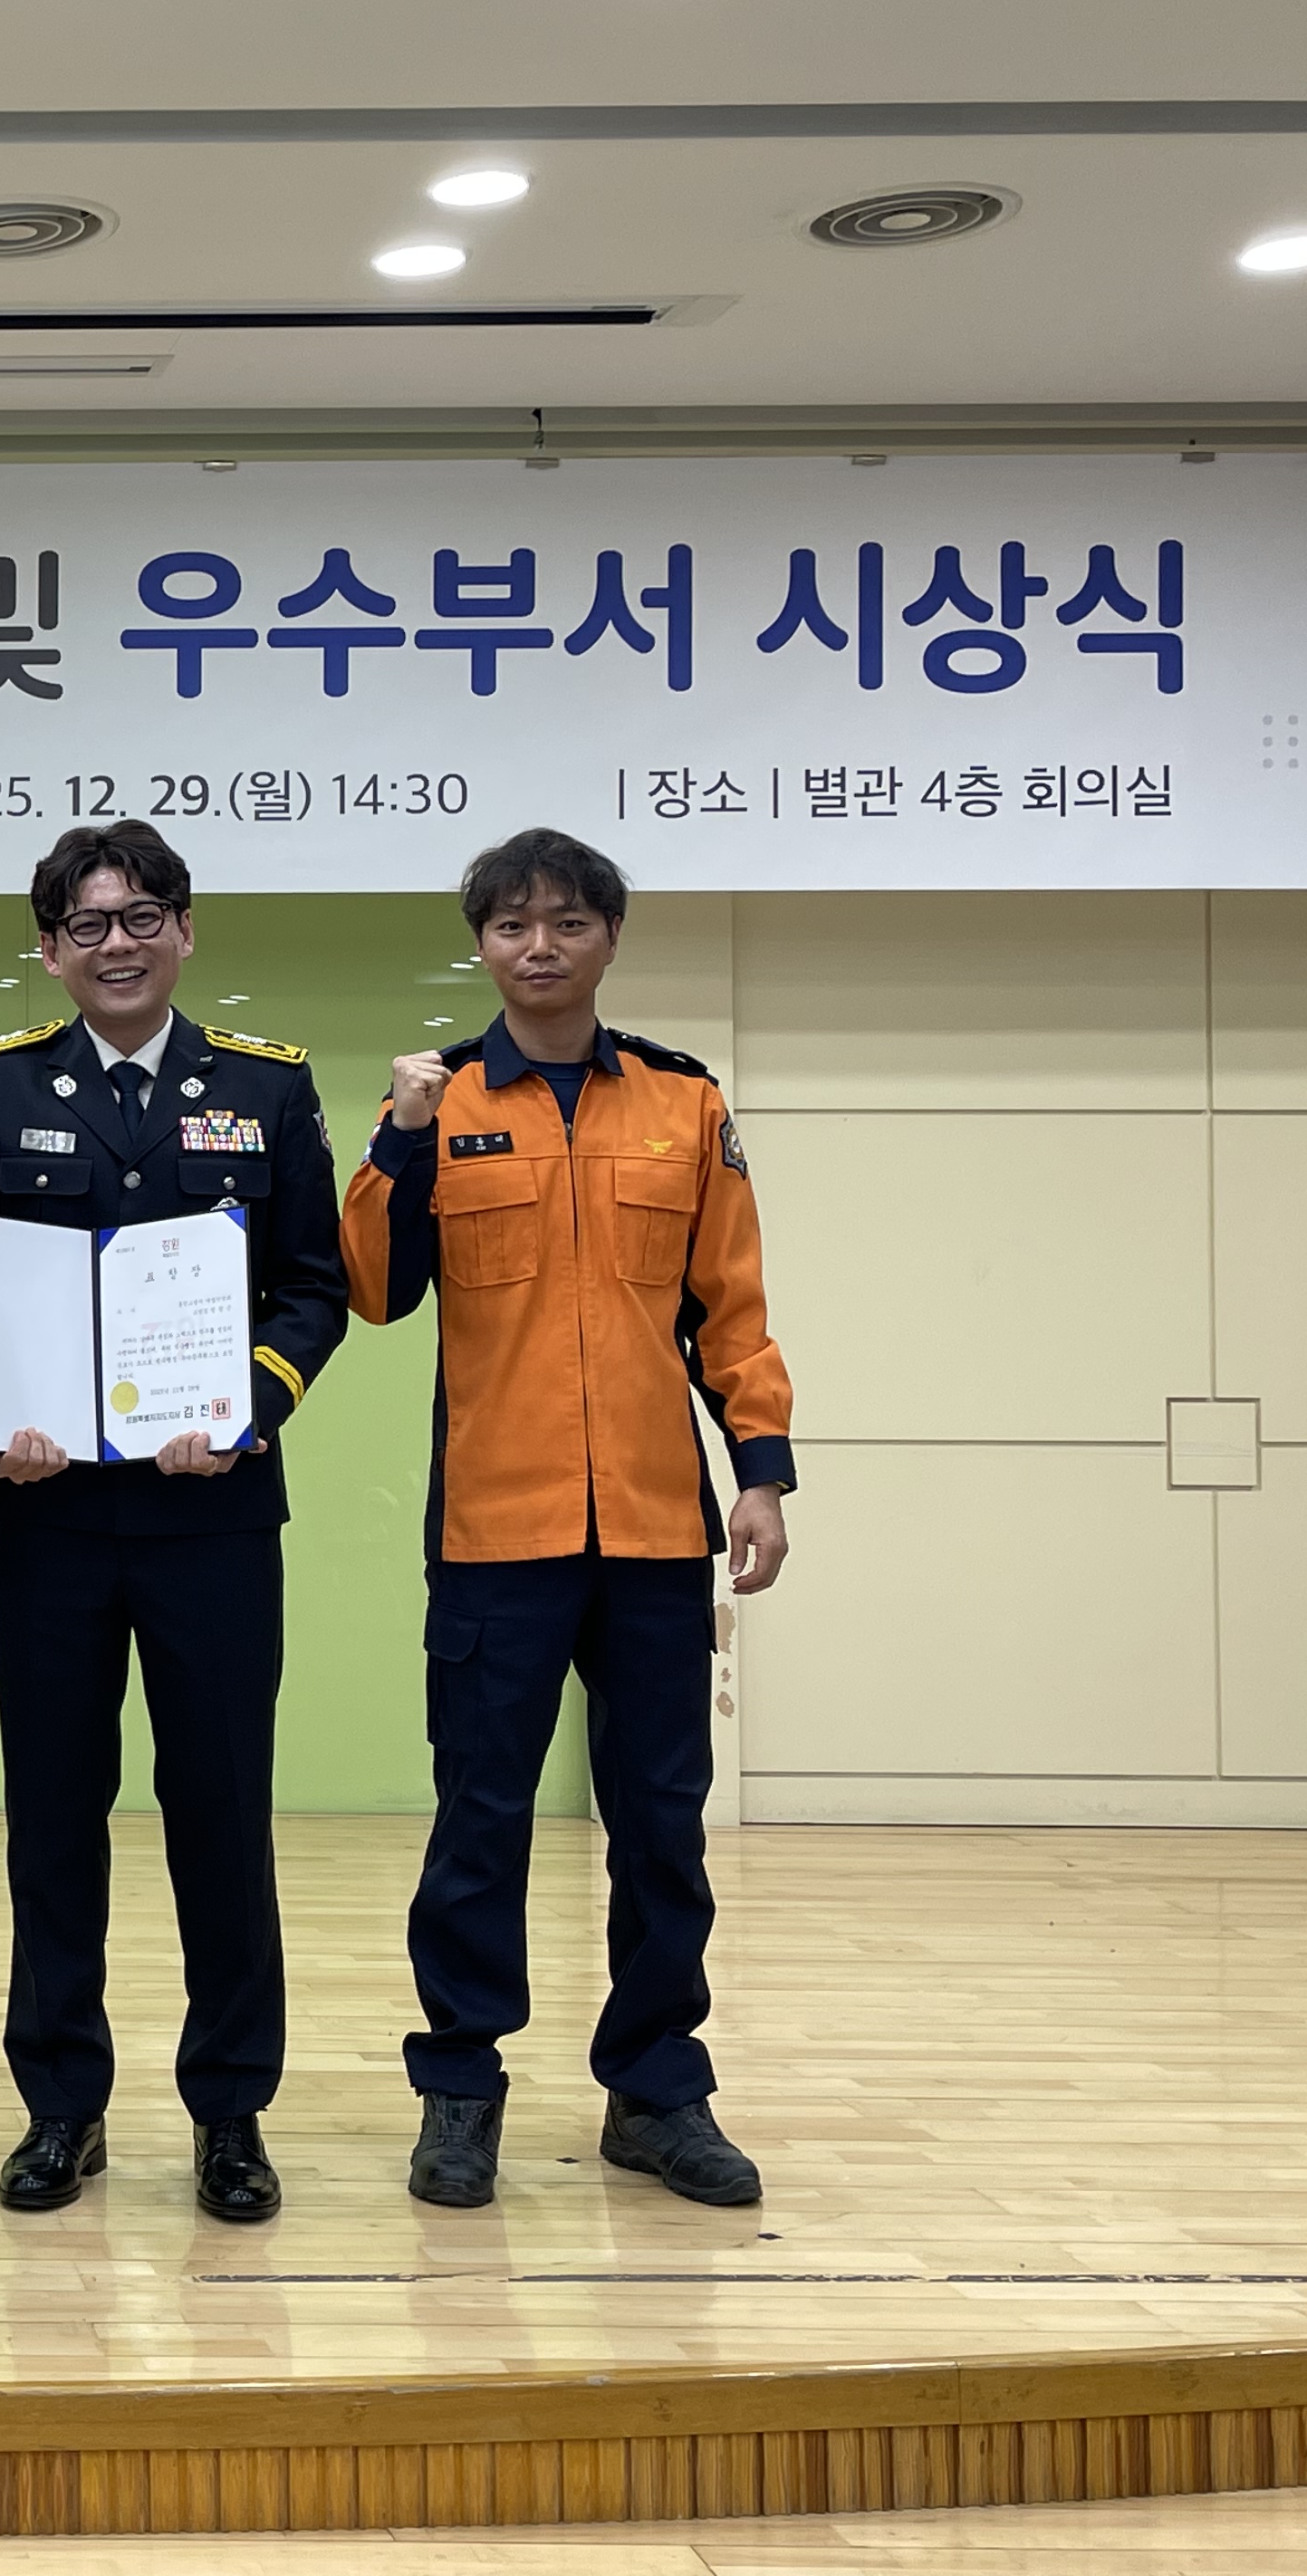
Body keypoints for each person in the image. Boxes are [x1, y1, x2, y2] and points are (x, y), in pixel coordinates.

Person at [342, 827, 795, 2213]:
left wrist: (761, 1472)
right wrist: (397, 1139)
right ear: (481, 943)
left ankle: (657, 2091)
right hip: (497, 1531)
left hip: (656, 1529)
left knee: (662, 1822)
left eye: (568, 922)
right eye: (512, 924)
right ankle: (460, 2090)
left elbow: (731, 1306)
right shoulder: (439, 1101)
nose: (539, 946)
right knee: (479, 1821)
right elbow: (373, 1290)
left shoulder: (682, 1102)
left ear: (610, 936)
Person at [0, 821, 348, 2224]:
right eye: (87, 924)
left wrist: (249, 1403)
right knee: (54, 1817)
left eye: (140, 917)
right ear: (50, 949)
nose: (116, 944)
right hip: (46, 1512)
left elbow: (314, 1286)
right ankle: (63, 2105)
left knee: (220, 1815)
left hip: (212, 1514)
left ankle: (231, 2113)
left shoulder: (267, 1087)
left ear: (184, 929)